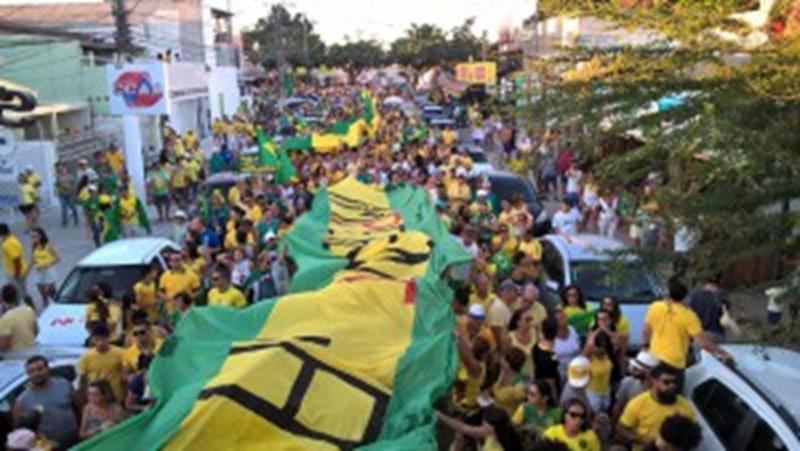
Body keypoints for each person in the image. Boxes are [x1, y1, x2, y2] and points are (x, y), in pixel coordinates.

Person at [643, 277, 732, 371]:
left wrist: (647, 347)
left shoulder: (655, 307)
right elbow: (702, 342)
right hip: (675, 362)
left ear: (668, 292)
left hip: (654, 358)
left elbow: (646, 330)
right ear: (685, 295)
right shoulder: (689, 316)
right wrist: (722, 352)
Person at [616, 363, 696, 450]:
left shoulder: (686, 408)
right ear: (654, 381)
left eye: (675, 382)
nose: (672, 386)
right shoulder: (638, 403)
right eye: (666, 382)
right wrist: (641, 439)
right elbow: (622, 428)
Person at [13, 355, 80, 449]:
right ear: (28, 374)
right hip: (48, 447)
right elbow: (21, 432)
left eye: (40, 369)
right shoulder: (22, 401)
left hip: (75, 440)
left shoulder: (64, 385)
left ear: (47, 369)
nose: (36, 373)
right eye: (31, 371)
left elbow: (79, 408)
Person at [78, 323, 126, 404]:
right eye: (97, 340)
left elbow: (125, 375)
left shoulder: (121, 353)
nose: (100, 343)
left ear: (108, 338)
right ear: (92, 340)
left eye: (103, 339)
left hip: (116, 398)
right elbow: (83, 379)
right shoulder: (86, 356)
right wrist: (83, 398)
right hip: (94, 399)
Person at [437, 406, 523, 451]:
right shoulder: (495, 433)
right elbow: (464, 428)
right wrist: (441, 417)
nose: (482, 425)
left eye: (484, 424)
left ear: (492, 428)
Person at [613, 350, 659, 421]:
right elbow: (617, 408)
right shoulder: (627, 383)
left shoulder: (659, 389)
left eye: (637, 368)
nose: (633, 370)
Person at [687, 274, 728, 343]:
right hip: (716, 334)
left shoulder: (694, 295)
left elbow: (688, 314)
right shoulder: (721, 296)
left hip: (698, 334)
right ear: (720, 282)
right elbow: (725, 318)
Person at [583, 330, 614, 413]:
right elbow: (588, 347)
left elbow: (616, 338)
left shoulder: (606, 355)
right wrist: (591, 336)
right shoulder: (589, 357)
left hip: (606, 392)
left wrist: (604, 330)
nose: (601, 350)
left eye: (603, 347)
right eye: (598, 347)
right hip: (592, 393)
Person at [29, 227, 60, 310]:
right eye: (31, 236)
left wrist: (47, 264)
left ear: (41, 236)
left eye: (35, 236)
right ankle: (46, 306)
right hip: (38, 272)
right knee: (42, 293)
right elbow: (33, 258)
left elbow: (58, 258)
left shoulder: (48, 246)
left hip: (48, 272)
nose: (33, 238)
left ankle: (58, 304)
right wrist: (30, 268)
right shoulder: (34, 247)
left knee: (49, 291)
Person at [0, 284, 37, 352]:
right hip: (33, 350)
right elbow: (36, 332)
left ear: (2, 299)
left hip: (15, 355)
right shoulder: (29, 310)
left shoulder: (5, 319)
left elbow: (2, 346)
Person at [533, 318, 561, 398]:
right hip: (546, 393)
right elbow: (550, 383)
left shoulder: (537, 347)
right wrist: (555, 400)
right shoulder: (548, 358)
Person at [488, 280, 518, 352]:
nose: (516, 295)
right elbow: (496, 330)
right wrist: (502, 350)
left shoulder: (505, 306)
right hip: (497, 348)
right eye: (515, 292)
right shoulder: (498, 307)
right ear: (509, 292)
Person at [1, 223, 29, 297]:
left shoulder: (8, 244)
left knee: (19, 294)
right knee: (23, 292)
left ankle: (30, 307)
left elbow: (16, 259)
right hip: (20, 270)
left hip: (15, 272)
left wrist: (16, 274)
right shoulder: (12, 239)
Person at [553, 310, 581, 381]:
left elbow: (578, 348)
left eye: (564, 317)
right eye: (560, 319)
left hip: (576, 369)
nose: (563, 320)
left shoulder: (572, 329)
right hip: (560, 373)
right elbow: (552, 358)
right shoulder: (551, 336)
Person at [55, 162, 79, 227]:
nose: (63, 171)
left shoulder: (70, 176)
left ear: (67, 170)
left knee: (72, 207)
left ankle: (76, 219)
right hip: (62, 195)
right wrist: (59, 188)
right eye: (62, 169)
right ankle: (64, 222)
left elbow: (75, 184)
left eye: (65, 169)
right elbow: (57, 185)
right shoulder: (59, 177)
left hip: (70, 194)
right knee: (63, 208)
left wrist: (72, 190)